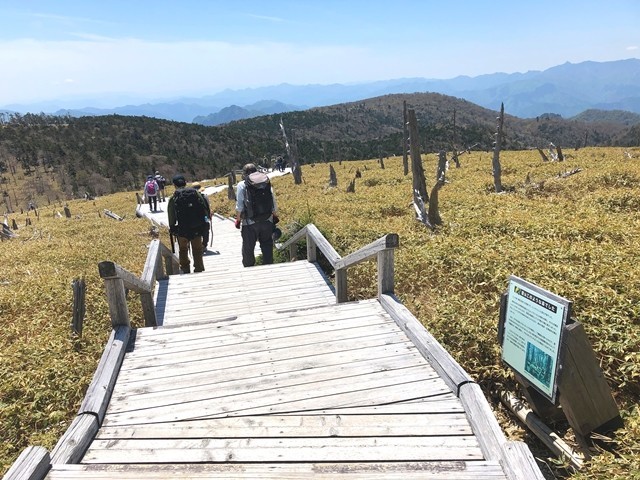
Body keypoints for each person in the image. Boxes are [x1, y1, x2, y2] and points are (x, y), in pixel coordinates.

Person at [235, 163, 278, 267]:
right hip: (267, 220)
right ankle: (269, 267)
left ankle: (249, 268)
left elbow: (239, 206)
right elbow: (273, 201)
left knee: (248, 248)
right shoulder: (265, 182)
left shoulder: (242, 184)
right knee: (267, 245)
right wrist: (274, 216)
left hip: (249, 223)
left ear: (244, 174)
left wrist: (238, 220)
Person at [168, 174, 210, 273]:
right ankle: (199, 268)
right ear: (185, 183)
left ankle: (185, 269)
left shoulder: (174, 197)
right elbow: (204, 208)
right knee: (197, 249)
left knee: (183, 250)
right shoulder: (195, 193)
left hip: (182, 228)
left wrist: (172, 227)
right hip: (196, 227)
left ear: (174, 185)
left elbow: (171, 214)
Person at [191, 183, 212, 251]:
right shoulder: (204, 196)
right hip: (205, 217)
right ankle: (204, 245)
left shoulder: (191, 198)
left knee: (197, 230)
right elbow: (208, 207)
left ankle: (199, 244)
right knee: (206, 230)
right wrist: (209, 215)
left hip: (195, 218)